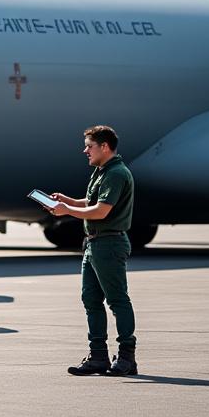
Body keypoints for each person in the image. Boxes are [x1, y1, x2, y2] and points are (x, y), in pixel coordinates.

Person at [44, 125, 138, 377]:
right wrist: (70, 201)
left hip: (109, 243)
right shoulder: (102, 171)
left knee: (117, 301)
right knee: (91, 301)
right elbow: (93, 202)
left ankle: (127, 357)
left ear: (104, 147)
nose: (84, 150)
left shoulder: (116, 173)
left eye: (89, 146)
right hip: (94, 243)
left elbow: (101, 210)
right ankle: (98, 356)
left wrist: (66, 211)